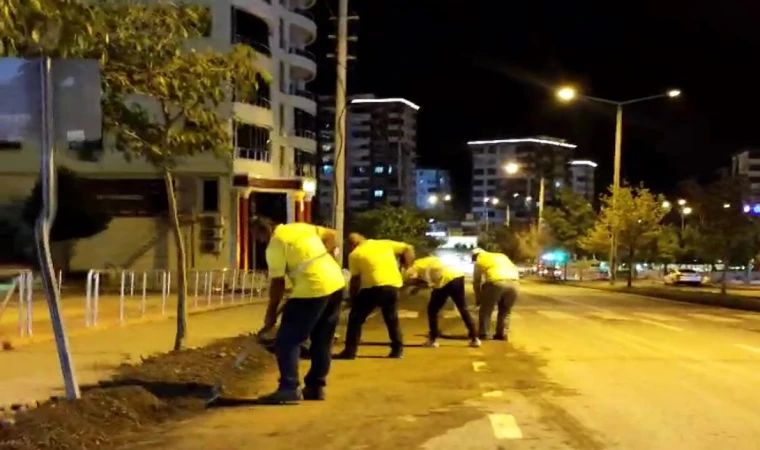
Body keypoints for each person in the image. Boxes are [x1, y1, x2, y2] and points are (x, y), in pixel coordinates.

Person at [253, 218, 346, 404]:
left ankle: (289, 387)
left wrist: (271, 314)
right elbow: (331, 235)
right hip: (336, 282)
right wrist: (328, 259)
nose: (258, 240)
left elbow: (277, 283)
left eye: (256, 236)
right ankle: (316, 387)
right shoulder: (299, 228)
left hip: (312, 288)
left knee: (287, 340)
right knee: (322, 339)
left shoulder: (275, 245)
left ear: (262, 231)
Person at [335, 233, 415, 359]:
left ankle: (350, 351)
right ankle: (397, 350)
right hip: (393, 286)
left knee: (355, 318)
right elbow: (408, 248)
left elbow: (355, 280)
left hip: (373, 287)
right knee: (391, 319)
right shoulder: (383, 243)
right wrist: (407, 265)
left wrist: (352, 298)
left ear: (352, 244)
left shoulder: (355, 254)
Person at [404, 255, 480, 348]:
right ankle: (475, 338)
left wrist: (414, 287)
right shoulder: (425, 260)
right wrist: (418, 286)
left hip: (445, 279)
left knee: (432, 310)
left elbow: (425, 283)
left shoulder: (414, 267)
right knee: (462, 307)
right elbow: (428, 280)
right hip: (458, 275)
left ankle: (433, 339)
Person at [472, 248, 520, 341]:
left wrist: (479, 298)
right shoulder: (501, 256)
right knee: (505, 311)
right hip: (514, 283)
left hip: (496, 282)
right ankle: (502, 334)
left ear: (475, 255)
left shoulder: (480, 259)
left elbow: (476, 281)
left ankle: (484, 334)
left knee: (486, 310)